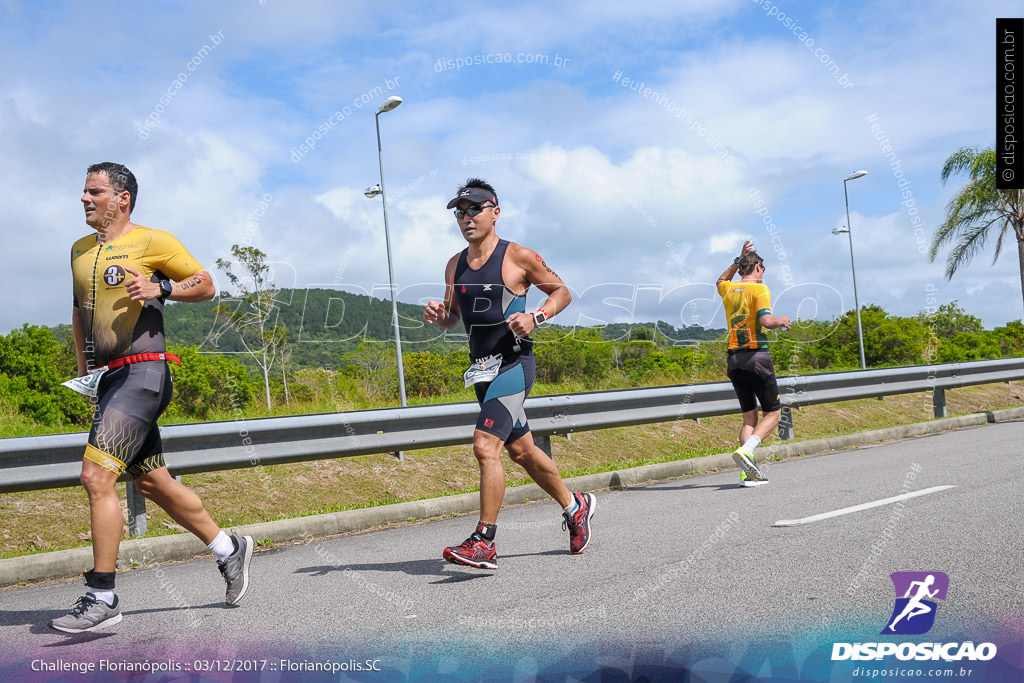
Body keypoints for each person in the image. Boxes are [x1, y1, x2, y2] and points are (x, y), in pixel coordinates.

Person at [52, 162, 253, 633]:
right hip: (110, 380)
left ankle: (102, 595)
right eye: (84, 191)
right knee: (152, 483)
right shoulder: (80, 250)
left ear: (122, 198)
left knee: (95, 475)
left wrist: (161, 287)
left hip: (144, 375)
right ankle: (230, 549)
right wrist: (85, 372)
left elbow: (204, 284)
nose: (85, 199)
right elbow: (80, 309)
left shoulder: (154, 241)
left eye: (95, 192)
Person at [423, 178, 595, 569]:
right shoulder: (455, 264)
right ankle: (575, 505)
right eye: (459, 212)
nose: (465, 218)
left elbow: (562, 292)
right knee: (521, 451)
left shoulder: (518, 256)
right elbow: (453, 319)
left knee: (486, 446)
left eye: (474, 210)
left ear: (495, 212)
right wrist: (439, 316)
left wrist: (536, 316)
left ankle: (484, 541)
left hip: (514, 365)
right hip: (481, 372)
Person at [716, 241, 790, 487]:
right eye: (763, 269)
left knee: (749, 417)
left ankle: (747, 473)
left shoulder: (728, 289)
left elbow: (719, 280)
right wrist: (782, 321)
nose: (763, 275)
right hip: (757, 357)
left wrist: (737, 261)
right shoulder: (760, 290)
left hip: (734, 360)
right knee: (775, 413)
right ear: (758, 266)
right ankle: (747, 451)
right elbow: (766, 321)